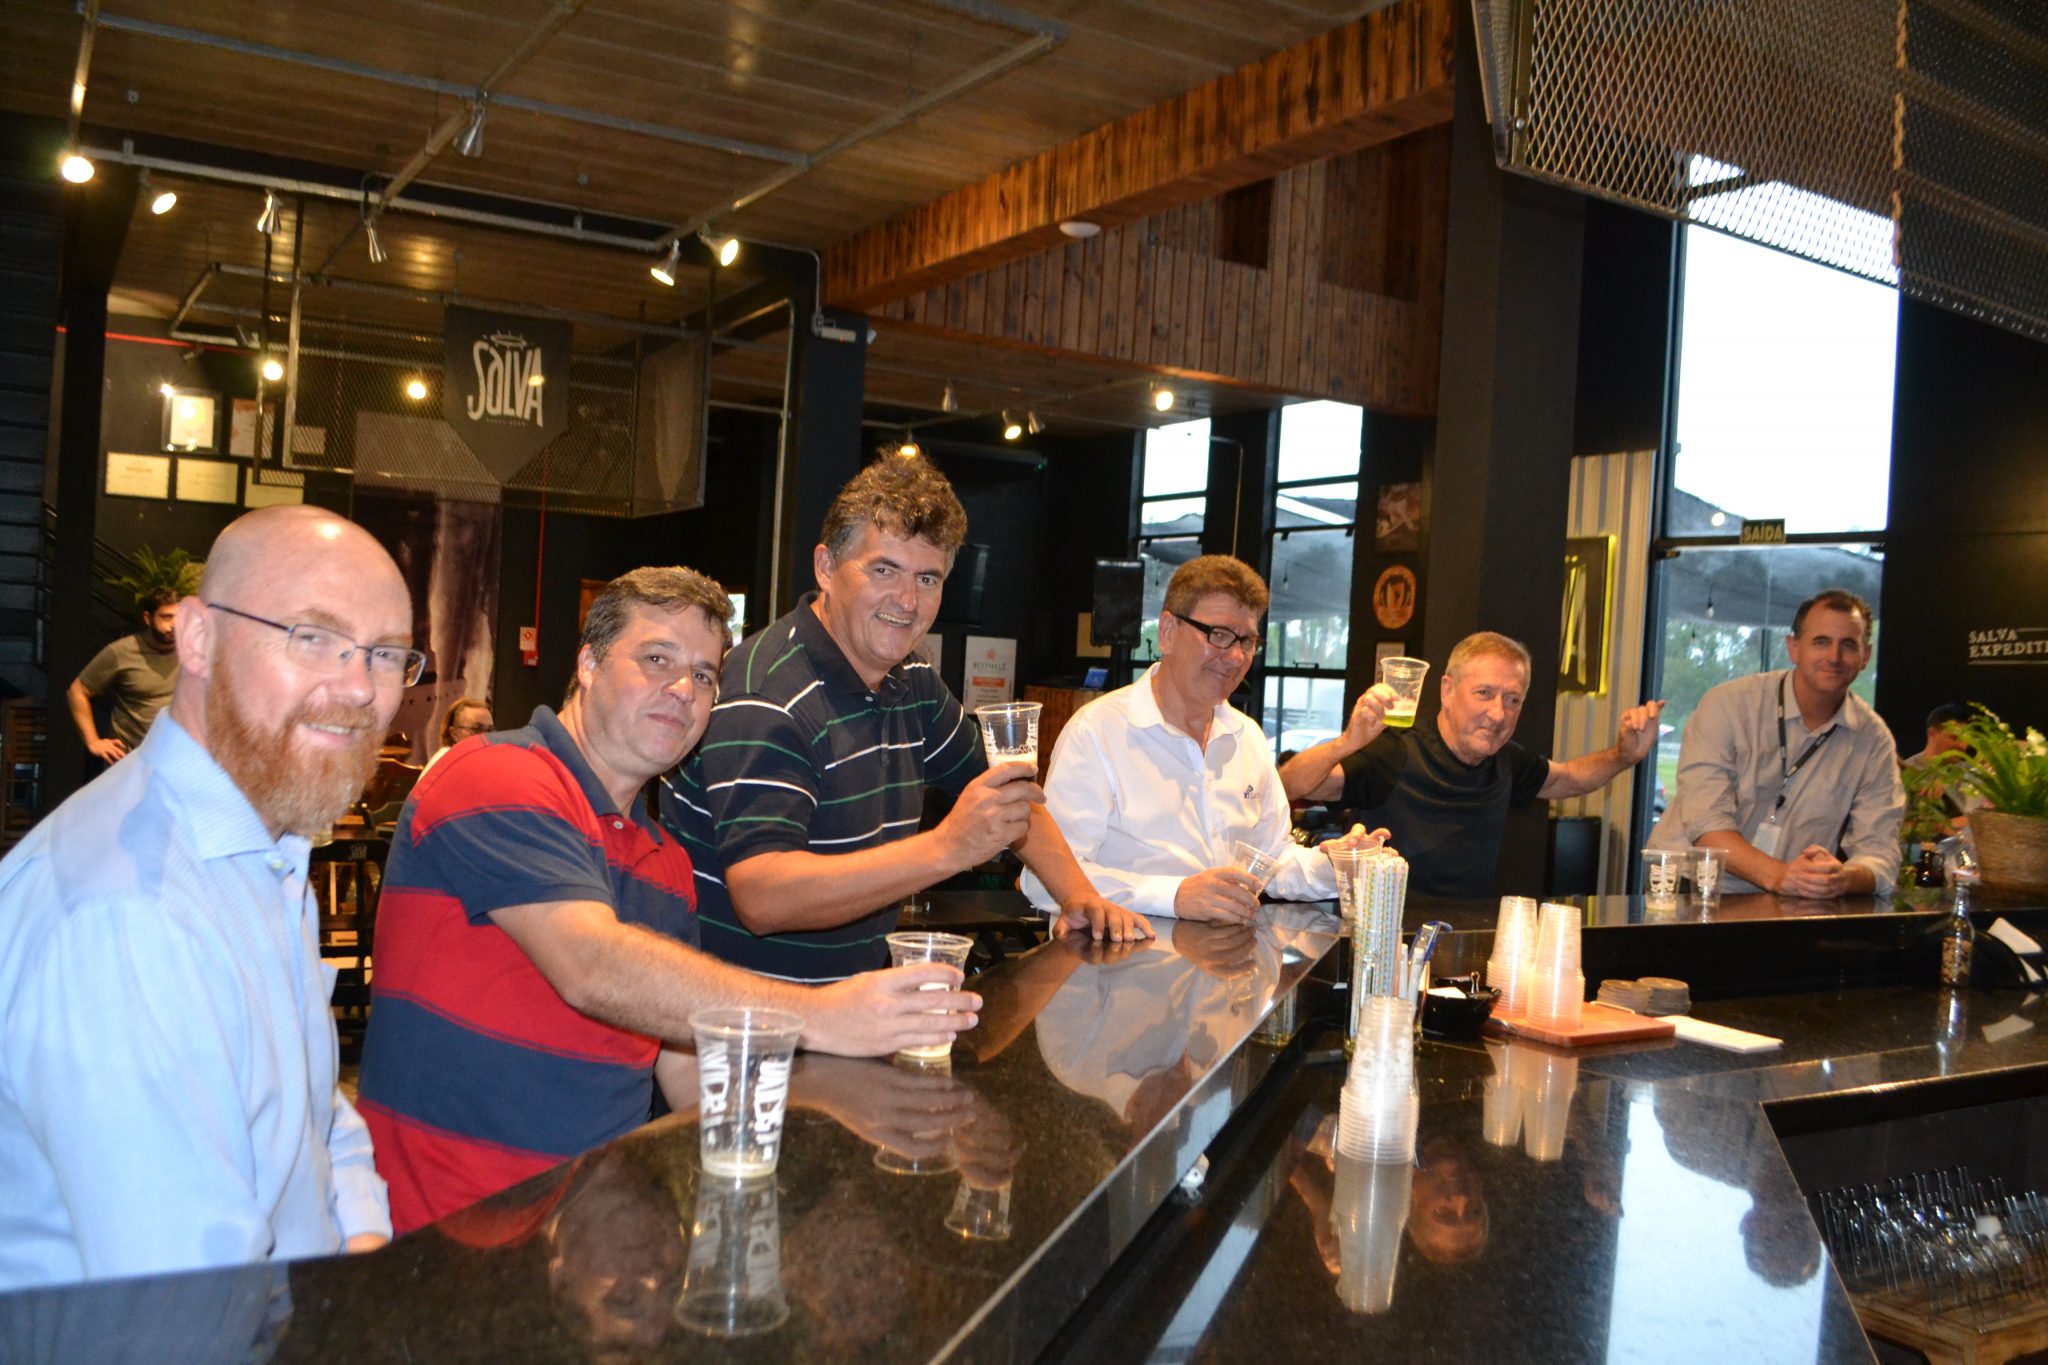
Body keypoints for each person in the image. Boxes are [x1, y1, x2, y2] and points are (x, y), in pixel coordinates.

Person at [357, 567, 984, 1234]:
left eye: (705, 675)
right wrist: (824, 1016)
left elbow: (693, 1084)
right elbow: (592, 965)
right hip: (447, 1244)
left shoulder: (665, 863)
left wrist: (862, 1108)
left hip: (594, 1236)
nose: (684, 689)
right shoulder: (497, 773)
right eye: (657, 659)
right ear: (589, 665)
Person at [0, 505, 402, 1289]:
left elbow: (315, 1116)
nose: (359, 688)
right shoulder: (128, 914)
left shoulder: (265, 848)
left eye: (385, 653)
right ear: (196, 637)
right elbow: (191, 1305)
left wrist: (357, 1264)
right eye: (312, 636)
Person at [671, 456, 1148, 986]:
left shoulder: (912, 679)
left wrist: (1078, 897)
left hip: (848, 1000)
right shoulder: (768, 696)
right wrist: (945, 848)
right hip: (739, 1016)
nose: (907, 600)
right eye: (884, 570)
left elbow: (1009, 797)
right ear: (826, 568)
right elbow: (763, 898)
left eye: (927, 578)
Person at [1021, 555, 1380, 921]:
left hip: (1226, 953)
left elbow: (1271, 860)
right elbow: (1044, 882)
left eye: (1247, 641)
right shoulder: (1098, 733)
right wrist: (1173, 896)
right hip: (1116, 952)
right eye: (1219, 635)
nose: (1236, 657)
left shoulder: (1247, 738)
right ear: (1167, 632)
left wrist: (1334, 867)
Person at [1280, 632, 1663, 898]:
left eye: (1512, 700)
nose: (1498, 714)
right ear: (1447, 690)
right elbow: (1292, 785)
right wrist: (1346, 743)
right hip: (1384, 945)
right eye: (1484, 693)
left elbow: (1569, 778)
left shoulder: (1507, 761)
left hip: (1463, 946)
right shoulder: (1395, 752)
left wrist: (1624, 755)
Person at [1647, 589, 1905, 897]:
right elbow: (1705, 824)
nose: (1834, 657)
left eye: (1848, 645)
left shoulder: (1873, 740)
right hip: (1689, 885)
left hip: (1789, 895)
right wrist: (1781, 876)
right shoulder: (1727, 705)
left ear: (1866, 656)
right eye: (1821, 642)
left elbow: (1880, 853)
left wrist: (1843, 878)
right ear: (1794, 648)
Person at [66, 586, 181, 764]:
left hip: (177, 762)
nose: (175, 624)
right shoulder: (122, 652)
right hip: (130, 761)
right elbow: (77, 691)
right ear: (148, 618)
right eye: (167, 617)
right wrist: (93, 741)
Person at [422, 696, 493, 773]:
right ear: (454, 734)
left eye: (489, 730)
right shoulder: (449, 762)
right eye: (477, 729)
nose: (485, 736)